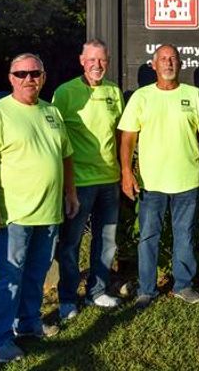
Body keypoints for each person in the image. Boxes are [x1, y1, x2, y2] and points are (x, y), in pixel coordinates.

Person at [0, 53, 79, 363]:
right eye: (21, 74)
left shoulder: (51, 112)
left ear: (44, 77)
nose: (28, 79)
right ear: (10, 78)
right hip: (15, 215)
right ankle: (0, 340)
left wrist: (70, 192)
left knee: (37, 272)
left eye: (35, 73)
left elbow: (66, 156)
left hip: (49, 212)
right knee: (9, 276)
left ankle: (29, 323)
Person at [118, 43, 199, 308]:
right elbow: (128, 137)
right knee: (148, 236)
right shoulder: (141, 97)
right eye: (163, 58)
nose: (168, 63)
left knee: (184, 235)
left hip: (187, 180)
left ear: (180, 64)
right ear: (154, 65)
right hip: (151, 183)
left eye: (173, 58)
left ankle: (183, 285)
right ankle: (147, 290)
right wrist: (127, 171)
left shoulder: (194, 95)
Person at [53, 39, 125, 320]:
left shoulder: (113, 92)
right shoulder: (65, 93)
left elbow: (119, 134)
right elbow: (56, 140)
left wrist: (123, 171)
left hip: (110, 179)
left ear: (107, 62)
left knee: (106, 241)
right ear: (81, 61)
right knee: (70, 244)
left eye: (102, 60)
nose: (97, 65)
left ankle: (97, 291)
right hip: (79, 183)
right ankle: (68, 298)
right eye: (92, 60)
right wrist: (66, 186)